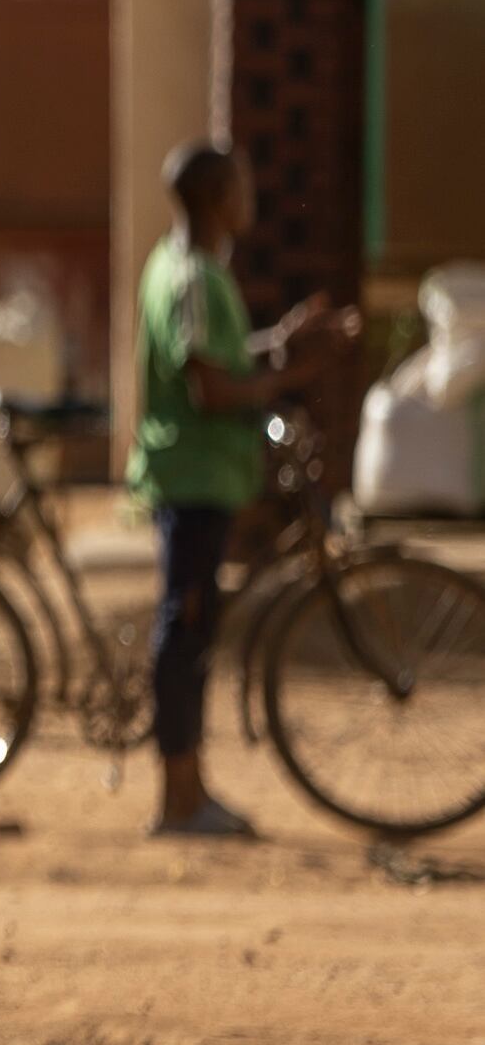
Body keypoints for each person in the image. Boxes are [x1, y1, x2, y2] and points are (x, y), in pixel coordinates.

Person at [131, 142, 358, 840]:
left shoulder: (189, 269)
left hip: (206, 473)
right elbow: (209, 387)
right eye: (240, 187)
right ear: (215, 200)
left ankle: (190, 785)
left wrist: (278, 342)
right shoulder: (193, 277)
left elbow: (215, 359)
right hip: (192, 474)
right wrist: (287, 379)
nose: (250, 197)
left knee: (195, 628)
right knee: (184, 627)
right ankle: (177, 798)